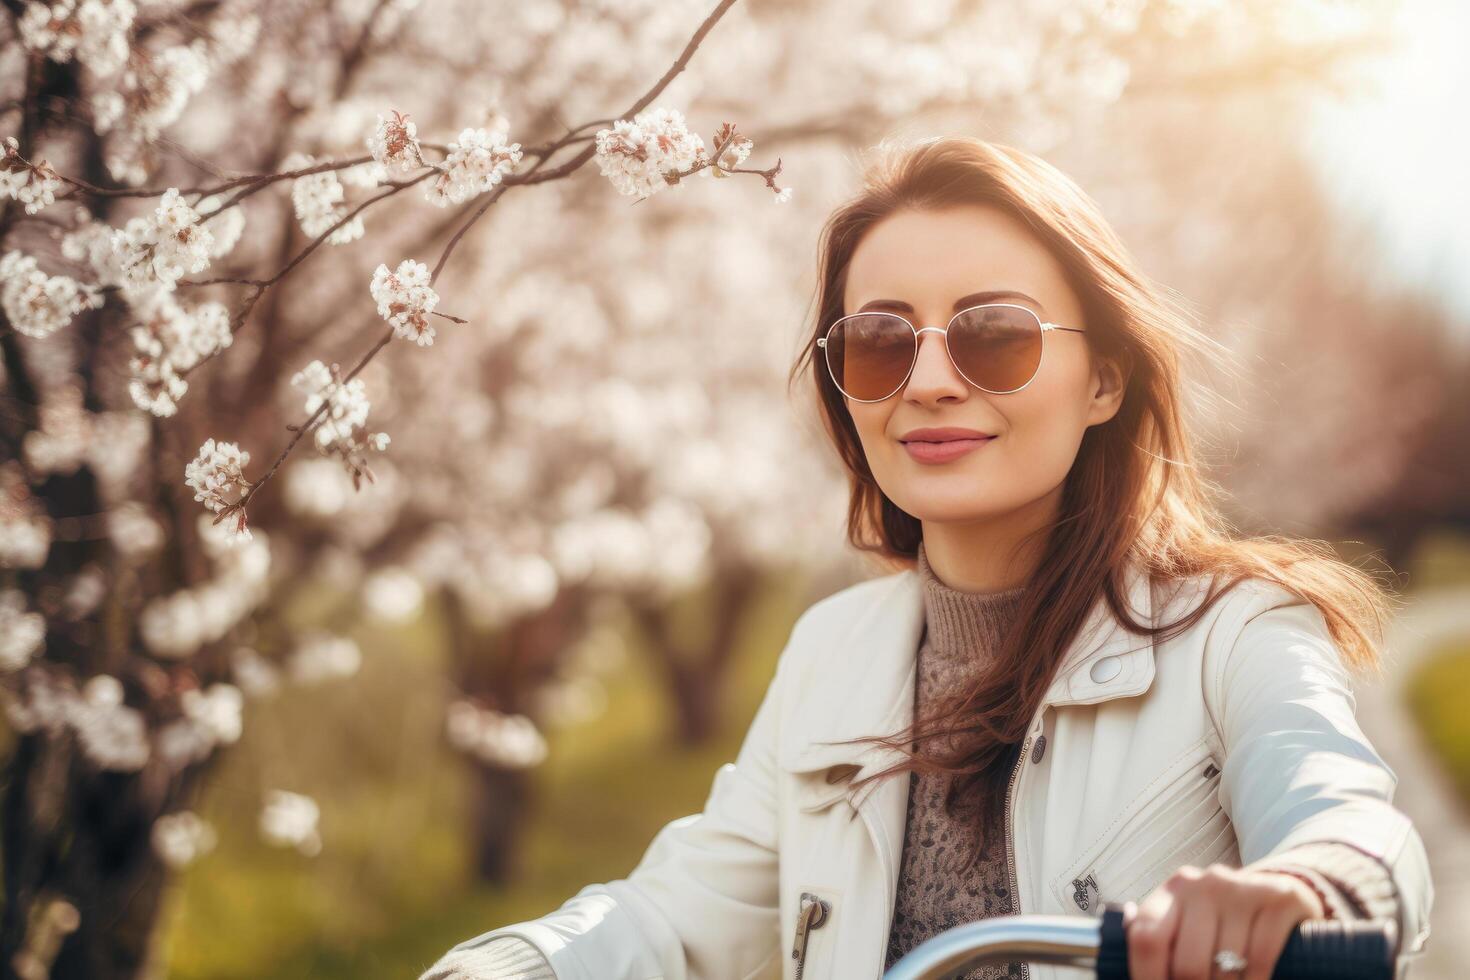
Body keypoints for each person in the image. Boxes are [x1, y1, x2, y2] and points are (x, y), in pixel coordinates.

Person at [419, 135, 1433, 980]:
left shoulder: (1236, 631)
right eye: (879, 341)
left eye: (995, 334)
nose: (933, 379)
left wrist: (1307, 886)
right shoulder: (833, 650)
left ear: (1105, 380)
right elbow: (679, 918)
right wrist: (512, 964)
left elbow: (1346, 817)